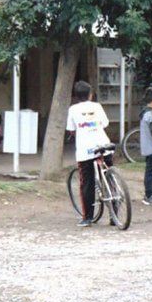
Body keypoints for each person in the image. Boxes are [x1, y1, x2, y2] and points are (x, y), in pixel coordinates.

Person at [66, 81, 114, 227]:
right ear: (90, 95)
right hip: (104, 145)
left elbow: (71, 129)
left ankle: (87, 218)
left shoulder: (73, 109)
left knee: (87, 183)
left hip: (85, 150)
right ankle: (115, 216)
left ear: (76, 96)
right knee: (110, 178)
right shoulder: (97, 106)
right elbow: (105, 123)